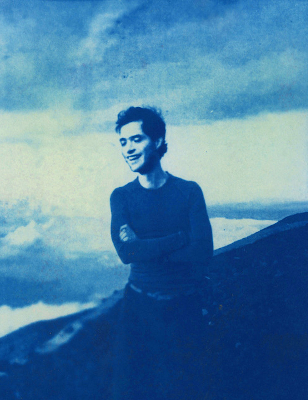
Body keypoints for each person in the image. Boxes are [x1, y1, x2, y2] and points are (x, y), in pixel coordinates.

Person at [110, 106, 214, 399]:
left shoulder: (189, 191)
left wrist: (146, 247)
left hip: (185, 311)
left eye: (136, 139)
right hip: (138, 312)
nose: (128, 149)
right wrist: (180, 238)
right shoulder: (121, 197)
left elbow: (203, 251)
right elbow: (127, 253)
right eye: (123, 142)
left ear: (157, 141)